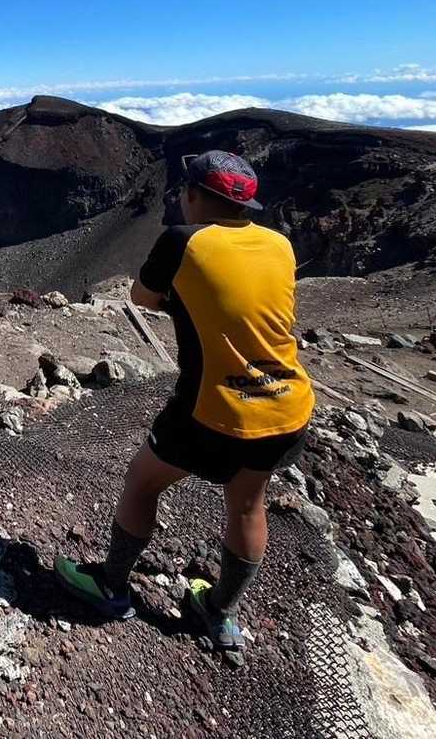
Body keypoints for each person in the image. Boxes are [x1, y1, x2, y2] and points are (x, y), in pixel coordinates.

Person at [54, 151, 314, 655]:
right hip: (287, 405)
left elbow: (143, 297)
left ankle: (110, 586)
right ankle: (218, 612)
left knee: (143, 481)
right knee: (247, 504)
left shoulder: (183, 239)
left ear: (194, 195)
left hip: (214, 408)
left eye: (182, 192)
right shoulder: (280, 244)